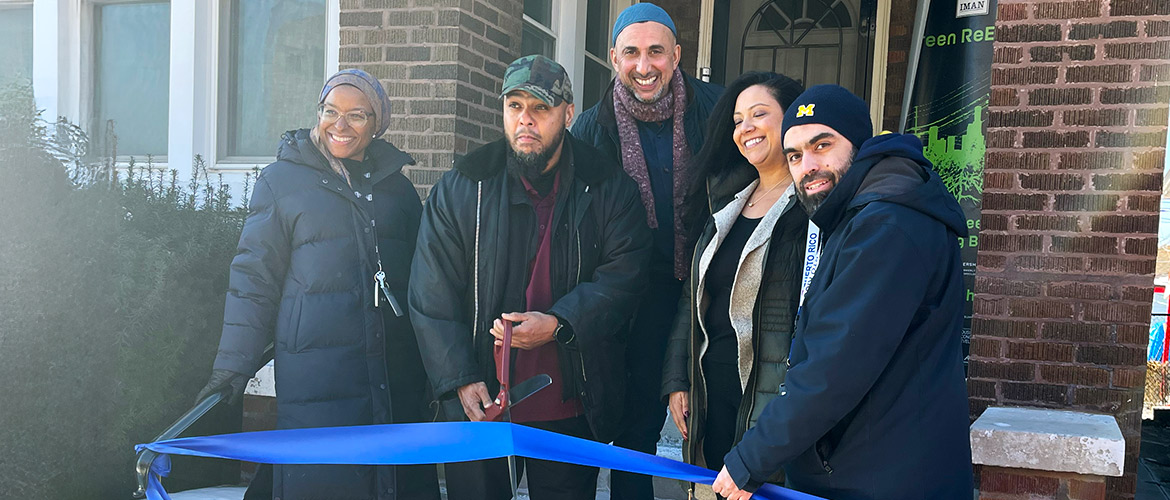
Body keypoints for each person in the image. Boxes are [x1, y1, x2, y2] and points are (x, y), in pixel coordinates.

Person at [710, 84, 974, 500]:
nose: (808, 165)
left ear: (859, 146)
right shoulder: (865, 215)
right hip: (873, 468)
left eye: (822, 145)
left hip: (887, 479)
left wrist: (750, 460)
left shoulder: (886, 226)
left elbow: (835, 366)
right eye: (795, 155)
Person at [408, 55, 651, 500]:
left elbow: (625, 277)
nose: (526, 120)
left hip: (569, 397)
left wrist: (560, 323)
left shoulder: (608, 186)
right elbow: (431, 291)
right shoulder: (464, 185)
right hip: (480, 399)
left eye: (540, 108)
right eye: (515, 105)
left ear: (568, 112)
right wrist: (459, 376)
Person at [194, 69, 439, 500]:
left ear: (376, 123)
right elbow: (254, 278)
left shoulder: (398, 190)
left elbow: (423, 282)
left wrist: (438, 370)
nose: (339, 126)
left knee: (393, 480)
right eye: (330, 111)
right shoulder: (281, 182)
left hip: (392, 370)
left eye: (356, 115)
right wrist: (234, 364)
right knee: (325, 479)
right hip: (318, 371)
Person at [571, 5, 723, 497]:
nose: (644, 65)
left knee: (715, 419)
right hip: (636, 300)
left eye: (656, 51)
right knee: (636, 431)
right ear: (613, 57)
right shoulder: (589, 134)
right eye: (631, 52)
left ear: (676, 55)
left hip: (708, 286)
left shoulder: (718, 111)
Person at [660, 71, 807, 496]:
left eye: (759, 114)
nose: (746, 128)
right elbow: (694, 297)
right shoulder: (725, 202)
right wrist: (678, 377)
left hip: (771, 400)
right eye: (738, 120)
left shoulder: (812, 206)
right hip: (711, 392)